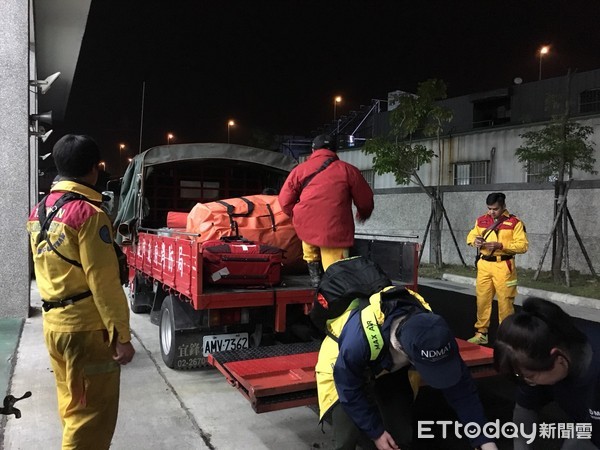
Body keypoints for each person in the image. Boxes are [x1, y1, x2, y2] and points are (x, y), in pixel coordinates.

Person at [26, 134, 135, 449]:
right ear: (93, 169)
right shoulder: (90, 215)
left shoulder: (40, 211)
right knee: (90, 416)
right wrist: (122, 336)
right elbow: (103, 282)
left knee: (72, 405)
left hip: (55, 327)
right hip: (86, 331)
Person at [316, 285, 498, 450]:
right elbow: (348, 387)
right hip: (340, 363)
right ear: (406, 353)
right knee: (345, 436)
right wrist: (376, 433)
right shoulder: (358, 341)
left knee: (400, 434)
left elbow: (461, 389)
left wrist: (482, 437)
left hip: (388, 366)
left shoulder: (434, 334)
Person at [494, 297, 600, 449]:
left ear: (558, 358)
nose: (529, 383)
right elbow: (525, 409)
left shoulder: (595, 368)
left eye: (530, 377)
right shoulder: (536, 351)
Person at [278, 134, 374, 287]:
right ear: (335, 150)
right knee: (337, 270)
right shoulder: (347, 170)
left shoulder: (299, 170)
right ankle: (334, 293)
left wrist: (297, 216)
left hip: (307, 229)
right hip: (335, 230)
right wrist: (363, 213)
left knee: (310, 250)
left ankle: (316, 283)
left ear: (313, 150)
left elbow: (284, 201)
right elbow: (365, 199)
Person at [466, 192, 528, 345]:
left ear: (503, 206)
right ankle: (481, 333)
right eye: (489, 208)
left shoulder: (515, 222)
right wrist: (476, 241)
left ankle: (506, 338)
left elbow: (523, 246)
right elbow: (470, 237)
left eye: (495, 209)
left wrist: (501, 245)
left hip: (504, 266)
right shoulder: (481, 220)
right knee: (482, 300)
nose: (491, 212)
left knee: (505, 303)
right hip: (484, 265)